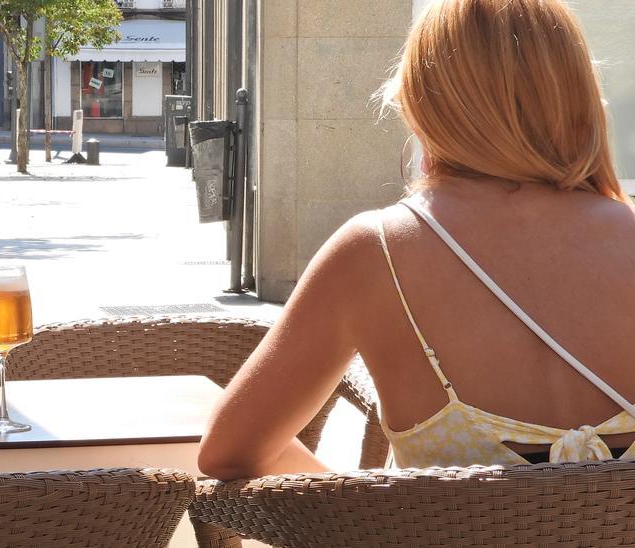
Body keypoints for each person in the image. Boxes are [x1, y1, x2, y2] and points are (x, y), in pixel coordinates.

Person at [198, 0, 633, 480]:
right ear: (575, 94)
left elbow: (229, 453)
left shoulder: (376, 251)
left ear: (426, 99)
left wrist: (368, 512)